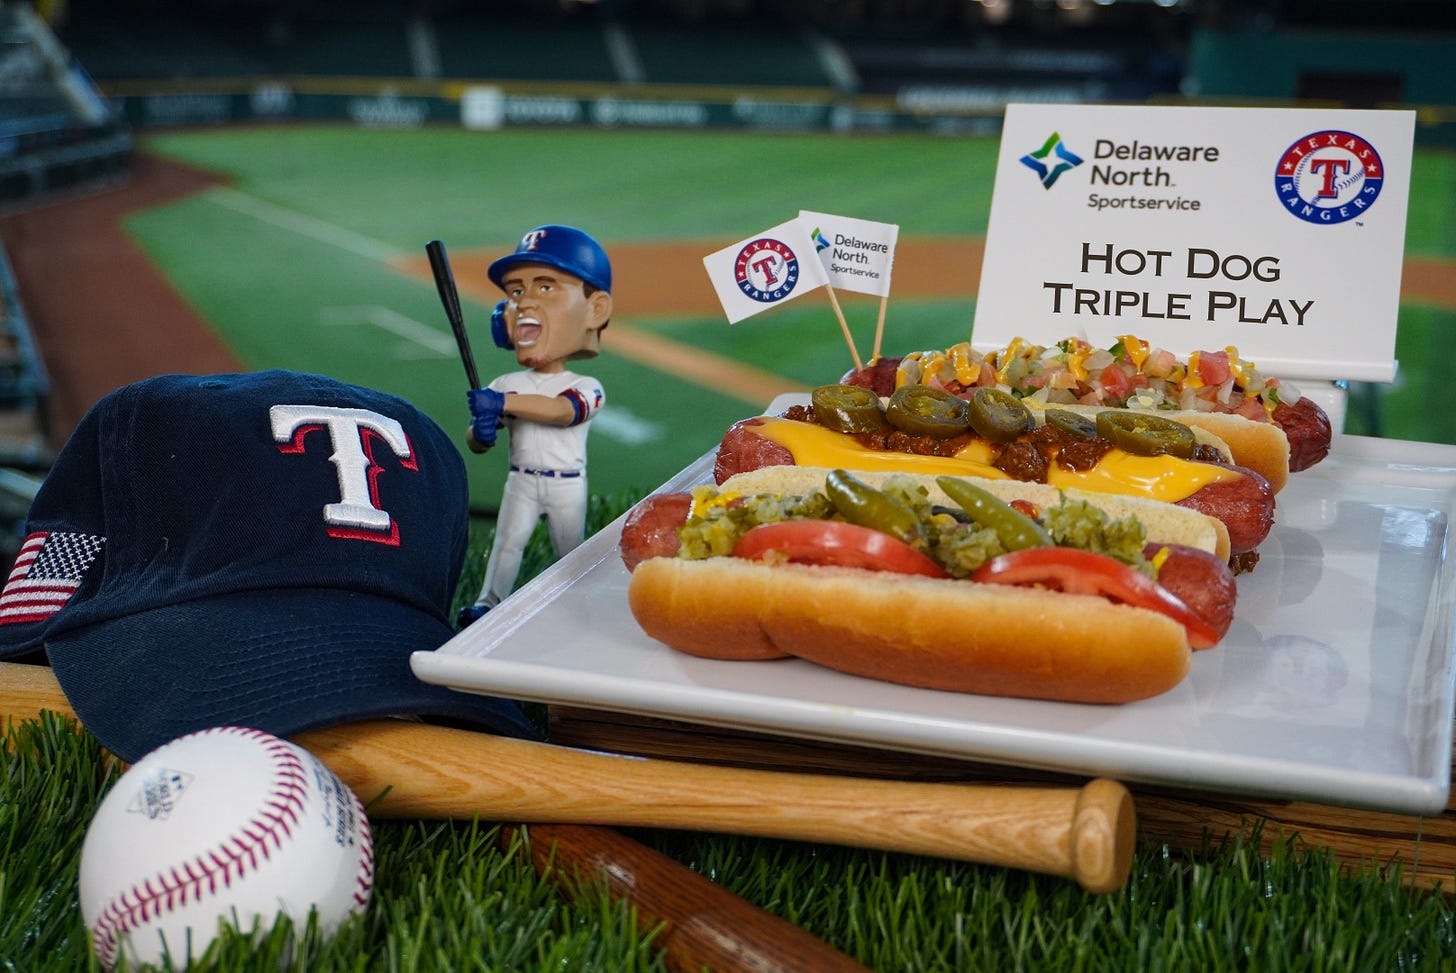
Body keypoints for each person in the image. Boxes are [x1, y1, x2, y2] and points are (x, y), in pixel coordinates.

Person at [458, 225, 611, 626]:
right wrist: (483, 431)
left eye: (545, 288)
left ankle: (584, 612)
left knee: (573, 553)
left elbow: (563, 411)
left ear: (595, 310)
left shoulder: (585, 385)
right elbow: (475, 440)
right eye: (515, 292)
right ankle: (487, 604)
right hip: (521, 482)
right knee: (507, 544)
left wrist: (501, 404)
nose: (525, 302)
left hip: (566, 485)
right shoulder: (506, 384)